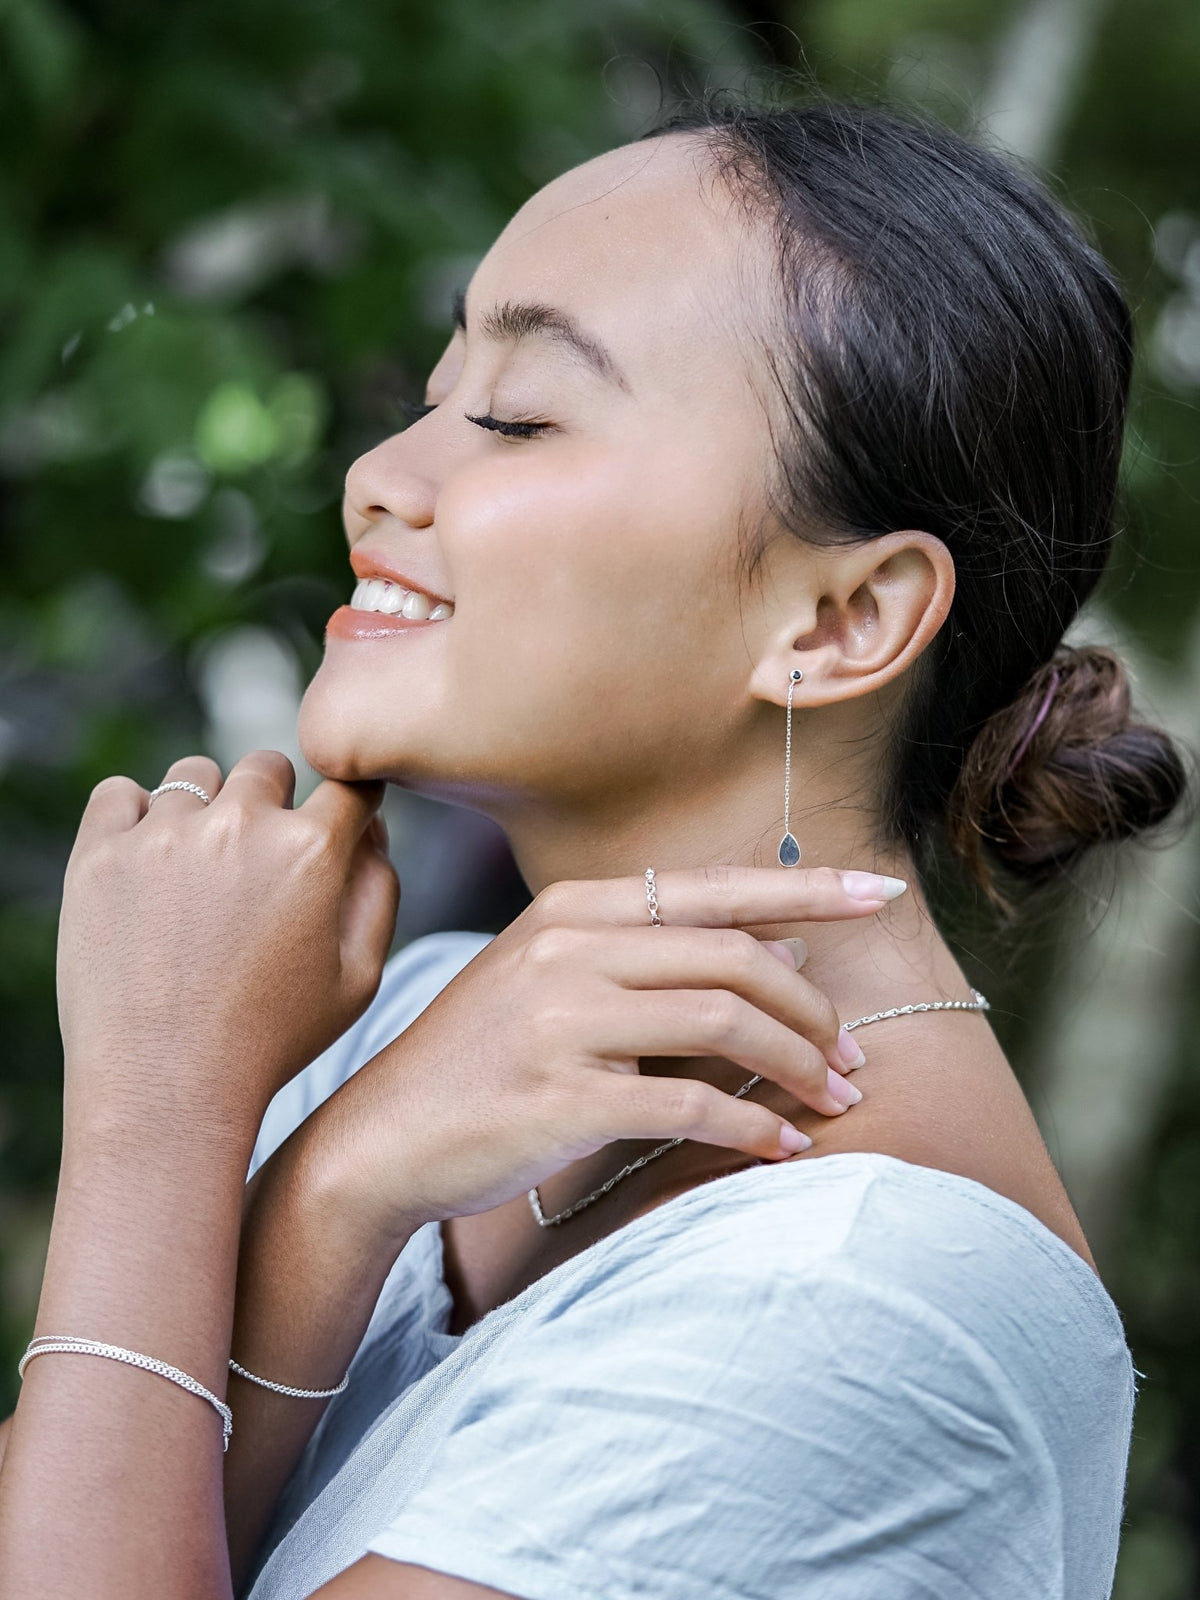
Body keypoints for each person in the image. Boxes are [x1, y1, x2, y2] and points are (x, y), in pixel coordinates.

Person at [0, 94, 1193, 1600]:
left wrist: (159, 1108)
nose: (381, 474)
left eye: (516, 416)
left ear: (844, 620)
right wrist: (330, 1189)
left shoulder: (864, 1302)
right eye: (438, 393)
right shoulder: (406, 1012)